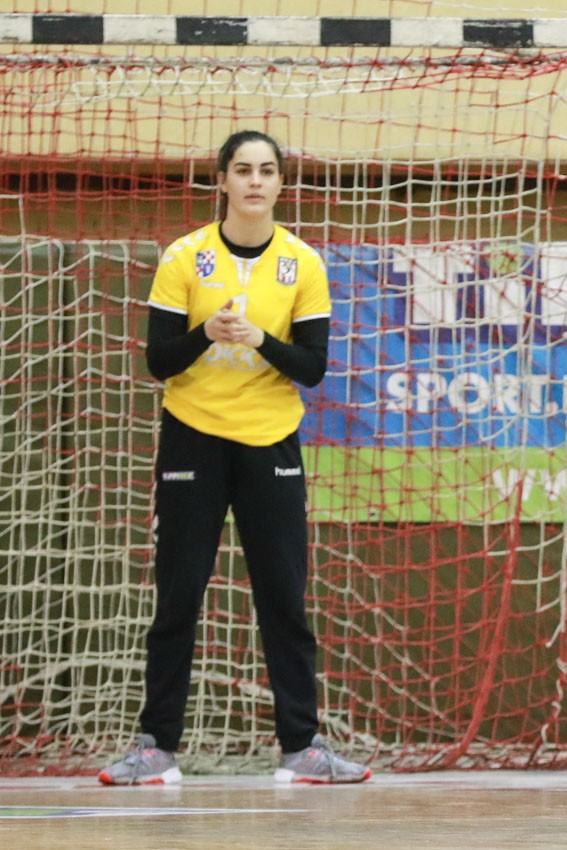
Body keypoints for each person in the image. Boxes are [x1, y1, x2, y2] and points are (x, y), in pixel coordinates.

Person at [99, 130, 370, 786]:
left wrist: (260, 339)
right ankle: (157, 748)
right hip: (193, 436)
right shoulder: (184, 257)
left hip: (270, 440)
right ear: (221, 179)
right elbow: (159, 360)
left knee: (284, 597)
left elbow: (312, 367)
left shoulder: (302, 262)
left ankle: (302, 748)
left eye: (266, 170)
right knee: (178, 595)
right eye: (242, 169)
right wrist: (206, 333)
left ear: (279, 183)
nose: (254, 181)